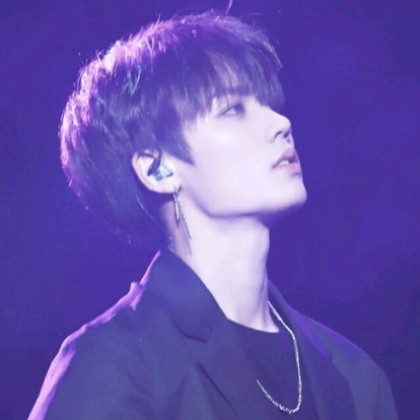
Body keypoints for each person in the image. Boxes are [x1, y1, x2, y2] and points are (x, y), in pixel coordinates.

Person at [29, 12, 397, 419]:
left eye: (268, 104)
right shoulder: (113, 366)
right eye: (233, 109)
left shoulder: (356, 377)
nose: (281, 123)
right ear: (158, 169)